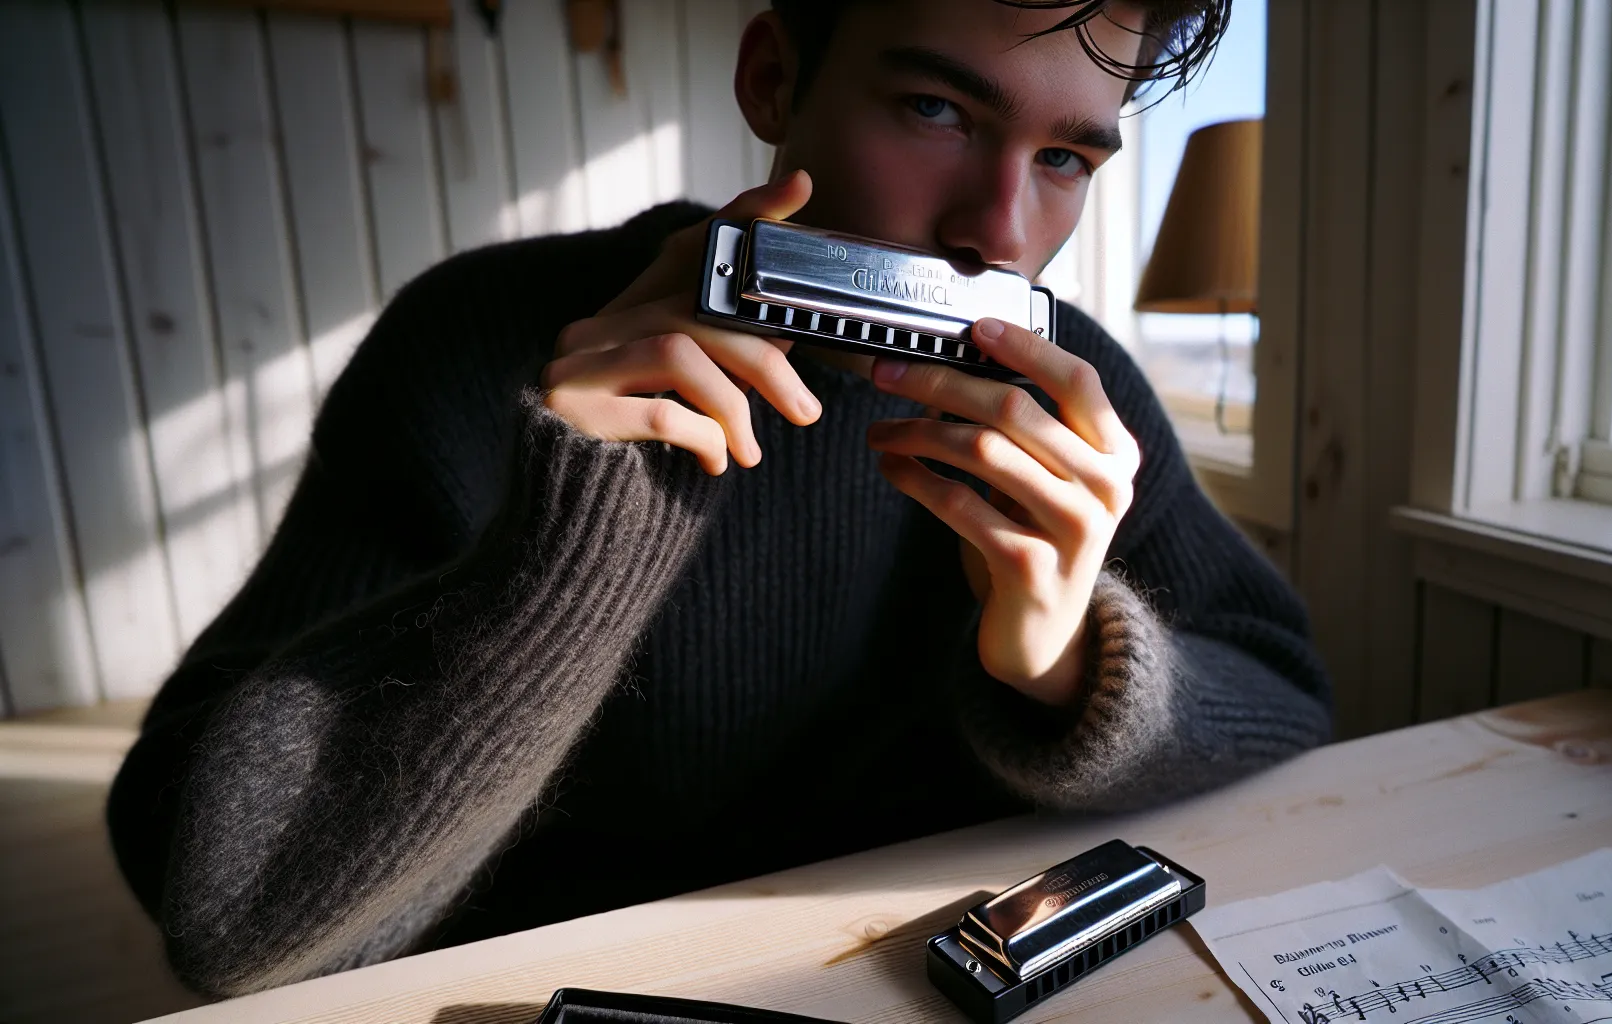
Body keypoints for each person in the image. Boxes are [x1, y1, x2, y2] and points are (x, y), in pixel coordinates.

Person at [108, 0, 1330, 999]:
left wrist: (1068, 667)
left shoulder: (1056, 386)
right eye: (934, 109)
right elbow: (221, 910)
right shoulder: (472, 338)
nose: (995, 236)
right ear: (772, 77)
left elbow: (1285, 693)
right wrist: (565, 556)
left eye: (1064, 157)